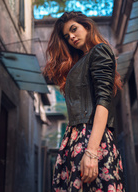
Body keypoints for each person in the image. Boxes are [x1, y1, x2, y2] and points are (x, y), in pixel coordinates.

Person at [44, 11, 125, 192]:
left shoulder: (100, 51)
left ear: (87, 26)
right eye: (67, 36)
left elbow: (104, 101)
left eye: (74, 29)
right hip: (77, 138)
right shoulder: (81, 61)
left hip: (90, 138)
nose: (71, 37)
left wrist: (91, 152)